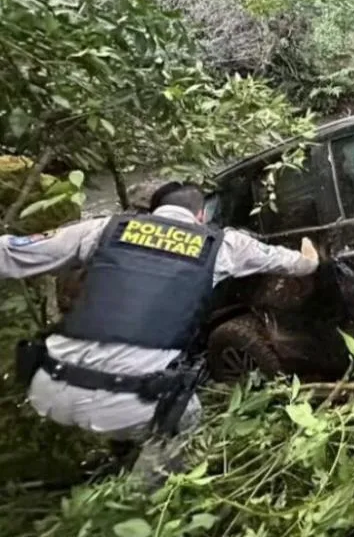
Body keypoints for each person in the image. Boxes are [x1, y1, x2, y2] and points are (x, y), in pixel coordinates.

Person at [2, 181, 319, 482]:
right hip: (130, 401)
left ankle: (111, 454)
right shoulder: (225, 245)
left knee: (125, 409)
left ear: (152, 211)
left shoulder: (105, 228)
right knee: (186, 416)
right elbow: (299, 265)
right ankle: (138, 499)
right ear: (200, 215)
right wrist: (310, 255)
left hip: (48, 386)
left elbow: (13, 252)